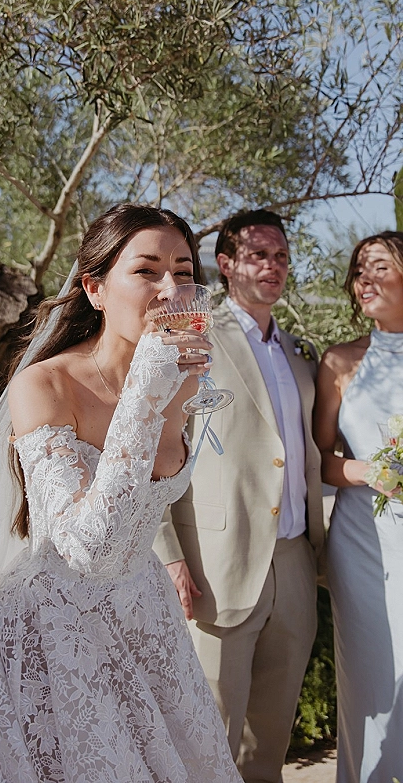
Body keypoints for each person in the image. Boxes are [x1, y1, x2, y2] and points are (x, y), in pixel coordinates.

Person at [0, 204, 242, 783]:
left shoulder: (185, 378)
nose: (170, 288)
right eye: (147, 270)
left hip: (144, 614)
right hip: (57, 628)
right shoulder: (45, 384)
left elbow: (150, 500)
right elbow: (90, 548)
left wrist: (168, 388)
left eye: (184, 272)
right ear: (95, 289)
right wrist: (147, 394)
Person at [154, 209, 325, 783]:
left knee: (269, 742)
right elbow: (151, 447)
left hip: (296, 563)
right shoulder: (194, 337)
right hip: (217, 569)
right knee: (209, 741)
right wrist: (171, 557)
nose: (273, 266)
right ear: (226, 265)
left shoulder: (299, 353)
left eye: (280, 256)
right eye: (258, 254)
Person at [313, 231, 403, 783]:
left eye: (378, 268)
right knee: (372, 676)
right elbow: (321, 461)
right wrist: (373, 471)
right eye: (358, 272)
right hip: (364, 543)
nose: (363, 281)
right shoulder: (341, 362)